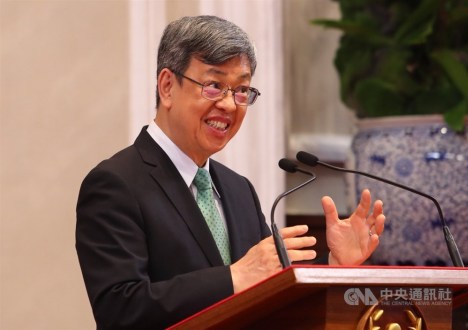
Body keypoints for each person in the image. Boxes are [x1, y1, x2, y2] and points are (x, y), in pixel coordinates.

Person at [76, 15, 385, 330]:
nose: (229, 104)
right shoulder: (115, 184)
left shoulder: (238, 190)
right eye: (213, 86)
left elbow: (276, 297)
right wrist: (234, 277)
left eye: (241, 91)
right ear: (167, 86)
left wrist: (336, 268)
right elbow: (120, 309)